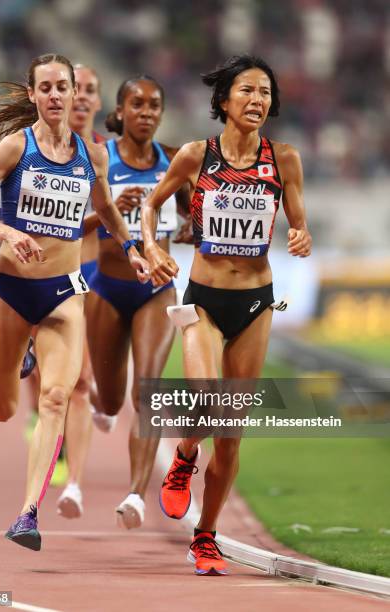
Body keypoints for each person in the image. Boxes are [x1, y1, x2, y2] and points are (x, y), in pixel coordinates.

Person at [0, 53, 148, 551]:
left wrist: (132, 250)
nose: (59, 96)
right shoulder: (16, 147)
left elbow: (105, 211)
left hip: (63, 293)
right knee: (1, 407)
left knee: (58, 397)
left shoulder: (91, 155)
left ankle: (26, 513)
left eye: (66, 87)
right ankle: (23, 353)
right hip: (12, 292)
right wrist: (7, 231)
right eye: (49, 88)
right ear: (34, 95)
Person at [141, 55, 312, 575]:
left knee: (233, 431)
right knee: (209, 397)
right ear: (223, 100)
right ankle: (186, 453)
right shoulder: (197, 155)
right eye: (247, 91)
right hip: (203, 300)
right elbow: (152, 205)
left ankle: (206, 536)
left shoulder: (284, 159)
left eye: (265, 92)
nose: (257, 100)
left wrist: (301, 236)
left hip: (257, 301)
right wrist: (150, 248)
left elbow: (299, 222)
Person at [83, 75, 190, 529]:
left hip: (155, 291)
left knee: (148, 391)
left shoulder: (175, 162)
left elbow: (193, 221)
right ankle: (97, 401)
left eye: (154, 105)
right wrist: (108, 210)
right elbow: (73, 226)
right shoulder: (100, 159)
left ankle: (135, 494)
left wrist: (188, 232)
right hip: (107, 287)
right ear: (121, 111)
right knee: (110, 401)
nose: (146, 112)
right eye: (137, 104)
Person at [26, 63, 105, 516]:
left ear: (91, 98)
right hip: (40, 274)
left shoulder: (101, 155)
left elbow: (114, 218)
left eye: (89, 90)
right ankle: (41, 429)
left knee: (83, 385)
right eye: (76, 89)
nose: (81, 98)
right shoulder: (31, 147)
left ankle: (74, 482)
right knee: (42, 381)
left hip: (92, 277)